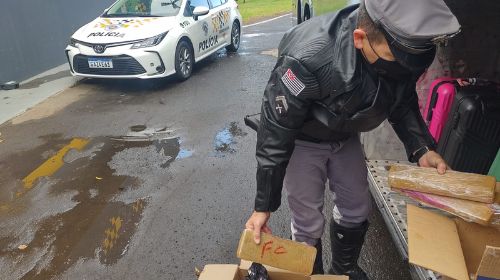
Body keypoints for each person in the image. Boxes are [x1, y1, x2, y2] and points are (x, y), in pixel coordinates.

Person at [244, 0, 460, 279]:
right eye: (397, 60)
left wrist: (421, 148)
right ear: (360, 39)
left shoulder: (397, 47)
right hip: (303, 139)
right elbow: (276, 129)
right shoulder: (307, 59)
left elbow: (400, 98)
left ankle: (344, 268)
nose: (404, 71)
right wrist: (263, 206)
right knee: (308, 219)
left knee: (357, 206)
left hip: (345, 135)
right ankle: (313, 273)